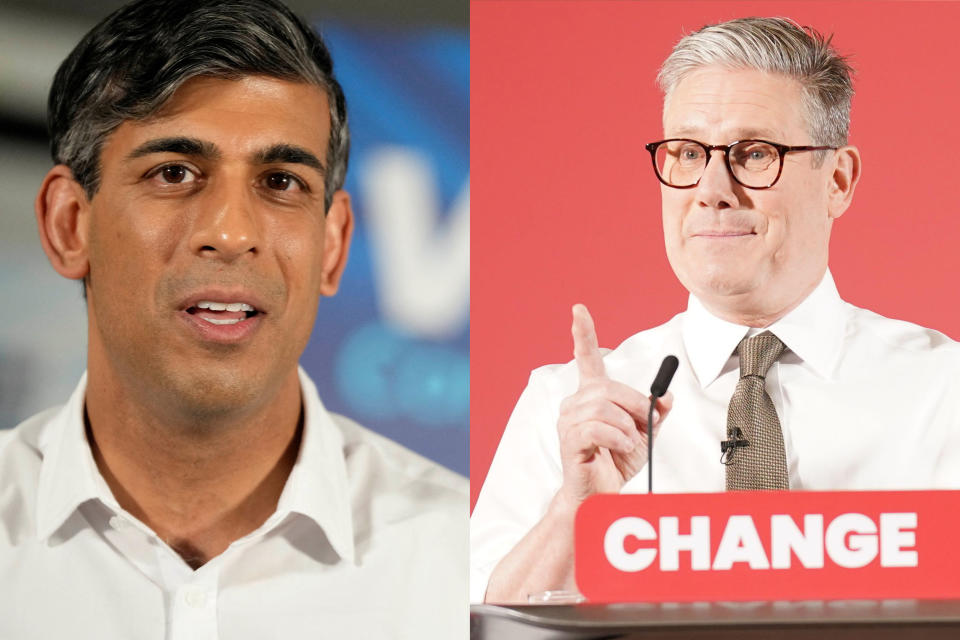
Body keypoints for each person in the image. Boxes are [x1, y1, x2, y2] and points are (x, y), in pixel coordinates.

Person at [0, 0, 466, 636]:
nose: (231, 231)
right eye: (175, 172)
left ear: (332, 246)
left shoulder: (465, 555)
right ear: (68, 224)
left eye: (280, 182)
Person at [470, 16, 960, 604]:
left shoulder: (943, 392)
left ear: (837, 179)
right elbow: (484, 623)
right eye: (686, 152)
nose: (711, 188)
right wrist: (576, 512)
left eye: (755, 153)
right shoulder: (573, 410)